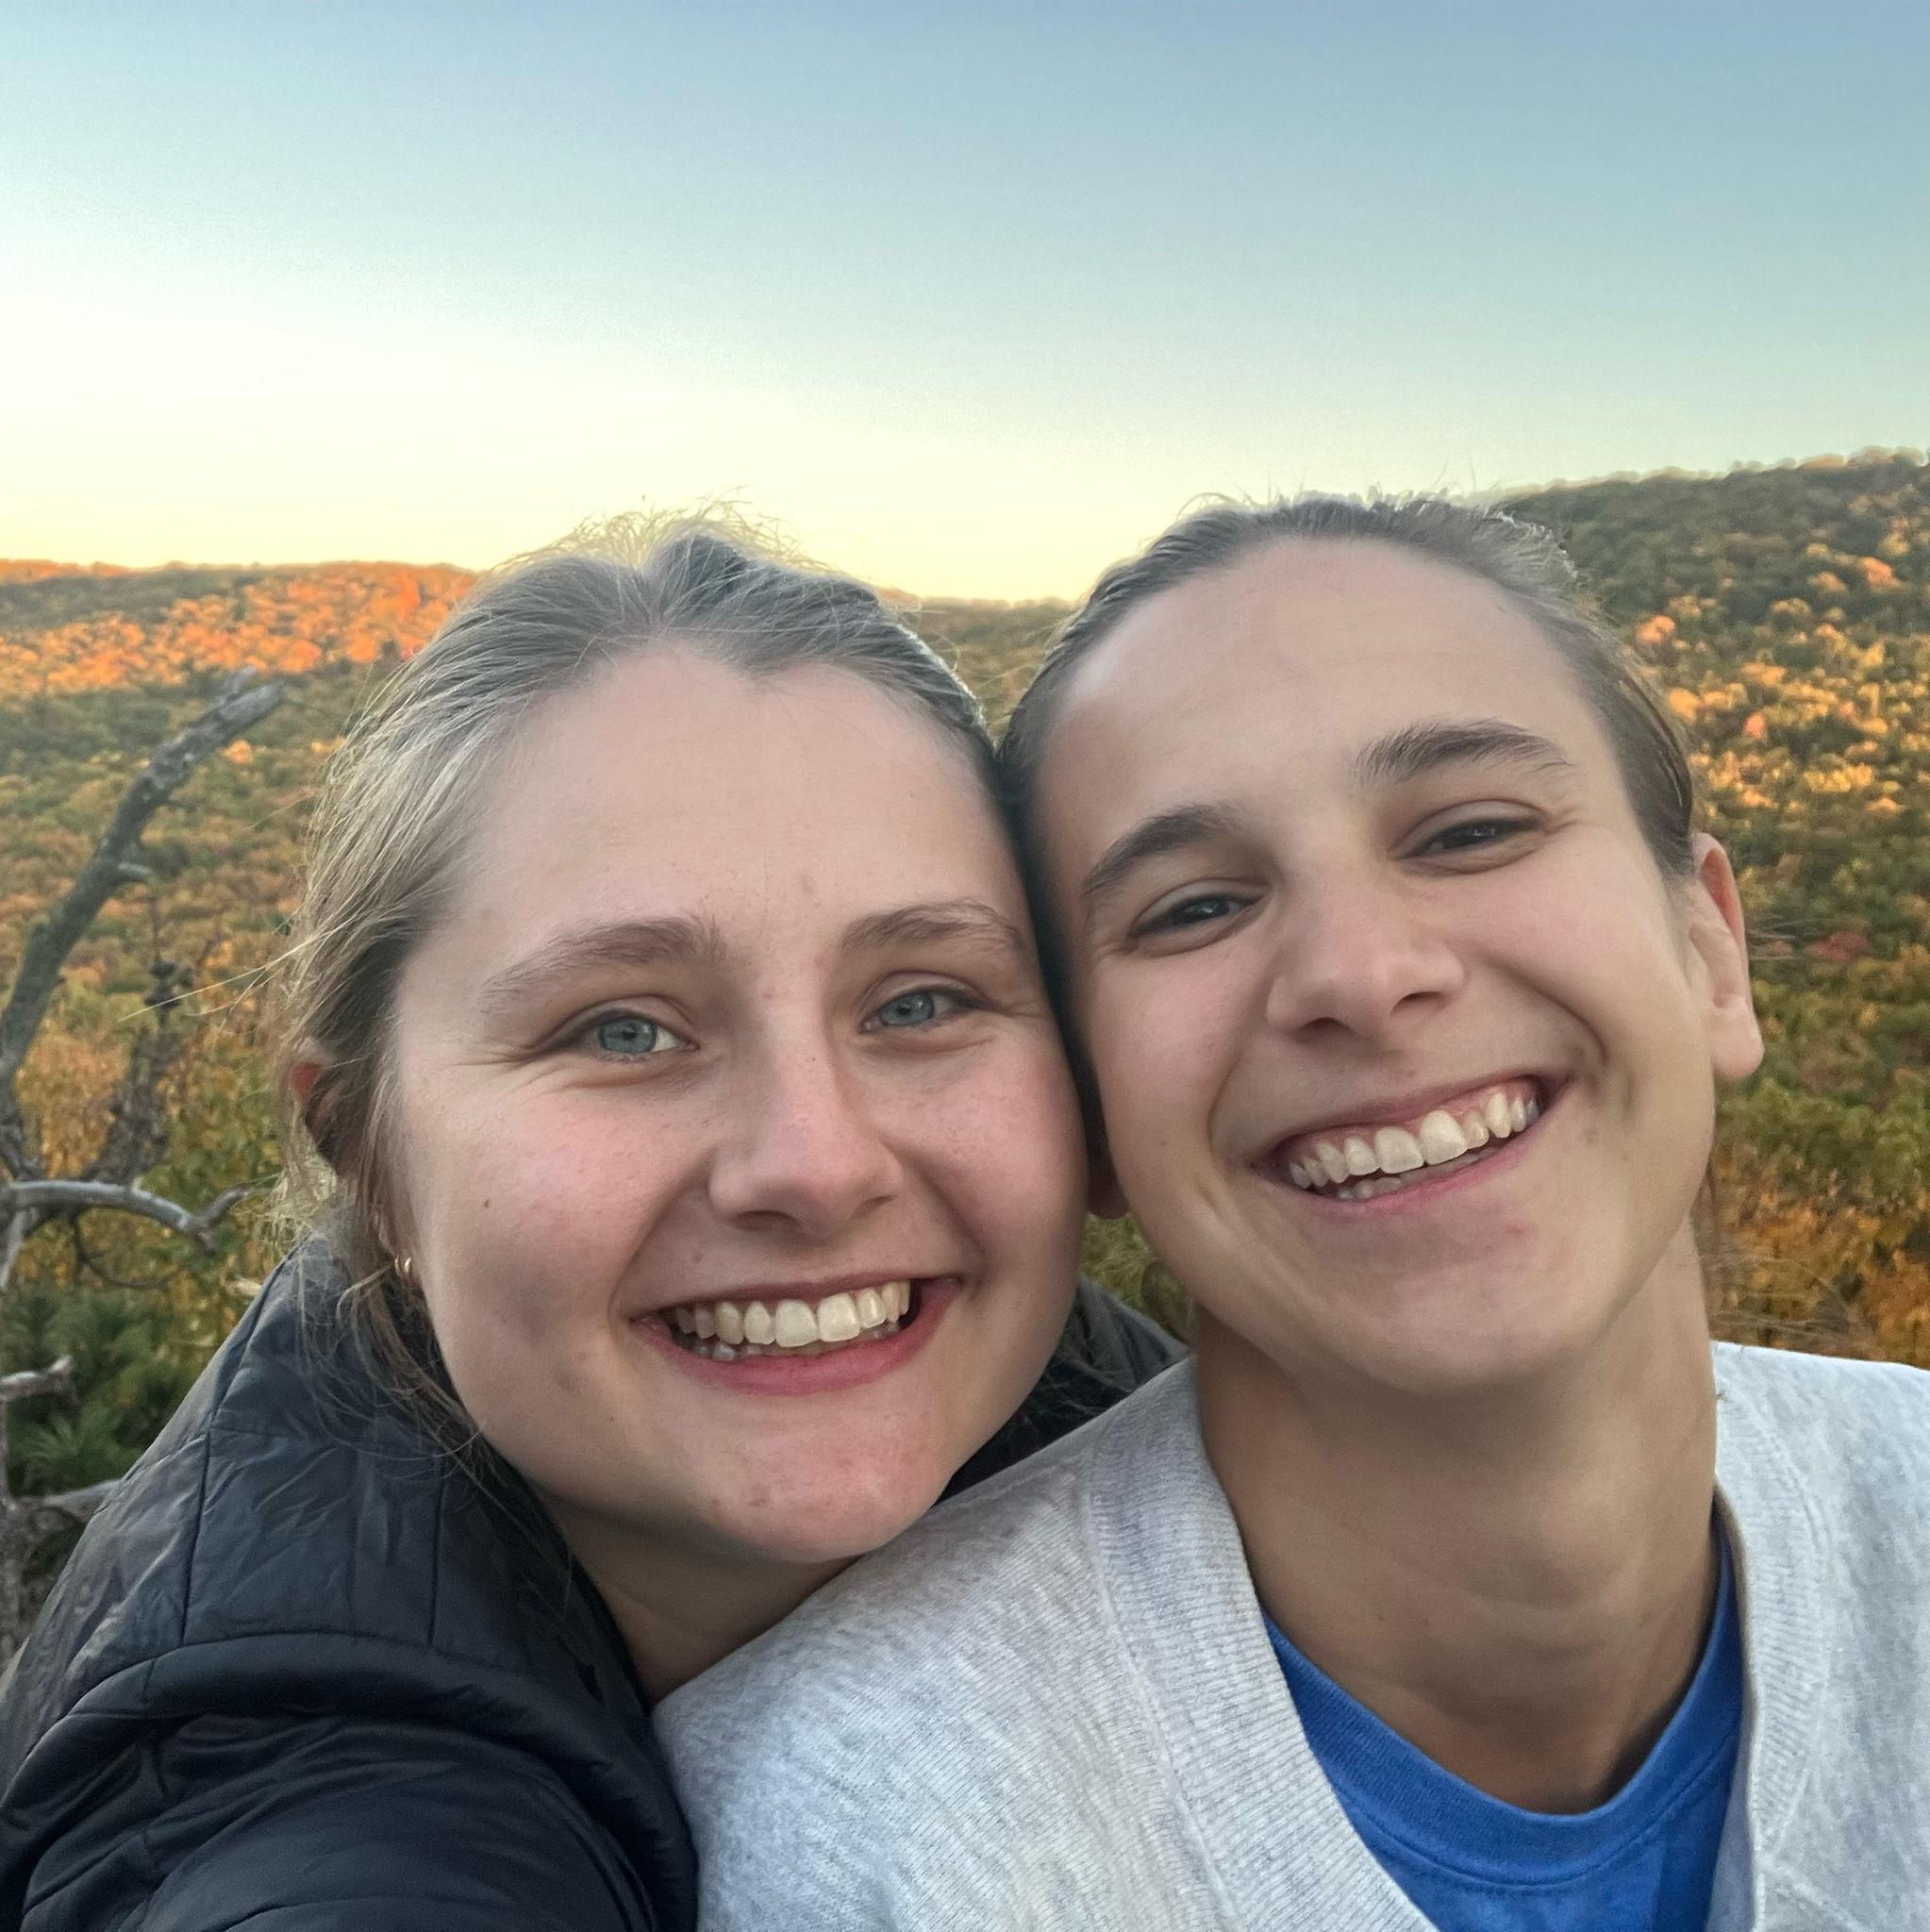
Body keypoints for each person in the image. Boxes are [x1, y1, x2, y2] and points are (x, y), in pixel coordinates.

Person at [656, 496, 1930, 1930]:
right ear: (1091, 1117)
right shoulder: (879, 1829)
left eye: (1466, 829)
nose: (1359, 971)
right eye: (1191, 908)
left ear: (1709, 949)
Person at [0, 517, 1179, 1932]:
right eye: (623, 1029)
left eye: (919, 1001)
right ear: (364, 1146)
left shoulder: (1145, 1415)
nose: (815, 1164)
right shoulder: (308, 1800)